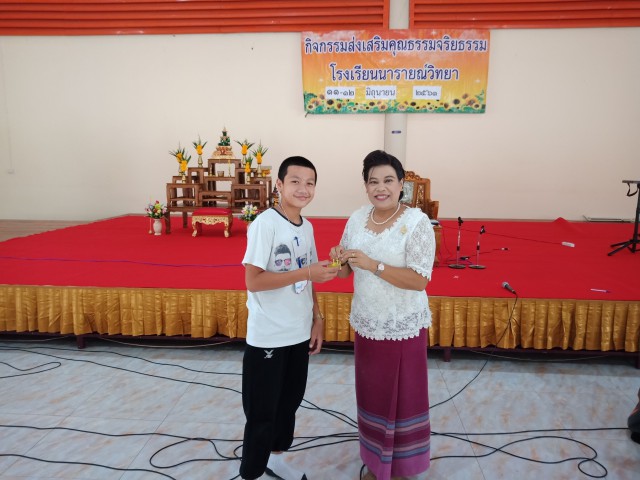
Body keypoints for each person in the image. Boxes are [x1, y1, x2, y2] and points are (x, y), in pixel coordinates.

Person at [329, 150, 436, 480]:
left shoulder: (416, 223)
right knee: (372, 396)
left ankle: (402, 468)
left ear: (402, 184)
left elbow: (419, 280)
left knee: (402, 399)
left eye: (388, 180)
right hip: (367, 323)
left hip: (401, 325)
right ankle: (377, 462)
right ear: (365, 186)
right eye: (373, 181)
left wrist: (374, 265)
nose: (381, 188)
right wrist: (338, 258)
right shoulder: (357, 218)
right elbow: (344, 272)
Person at [240, 156, 340, 480]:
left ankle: (277, 458)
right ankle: (251, 472)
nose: (303, 189)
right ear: (279, 185)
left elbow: (310, 276)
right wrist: (306, 272)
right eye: (295, 182)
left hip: (299, 331)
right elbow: (253, 280)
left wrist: (317, 317)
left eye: (310, 183)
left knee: (288, 404)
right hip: (269, 334)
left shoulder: (307, 227)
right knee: (262, 412)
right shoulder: (265, 224)